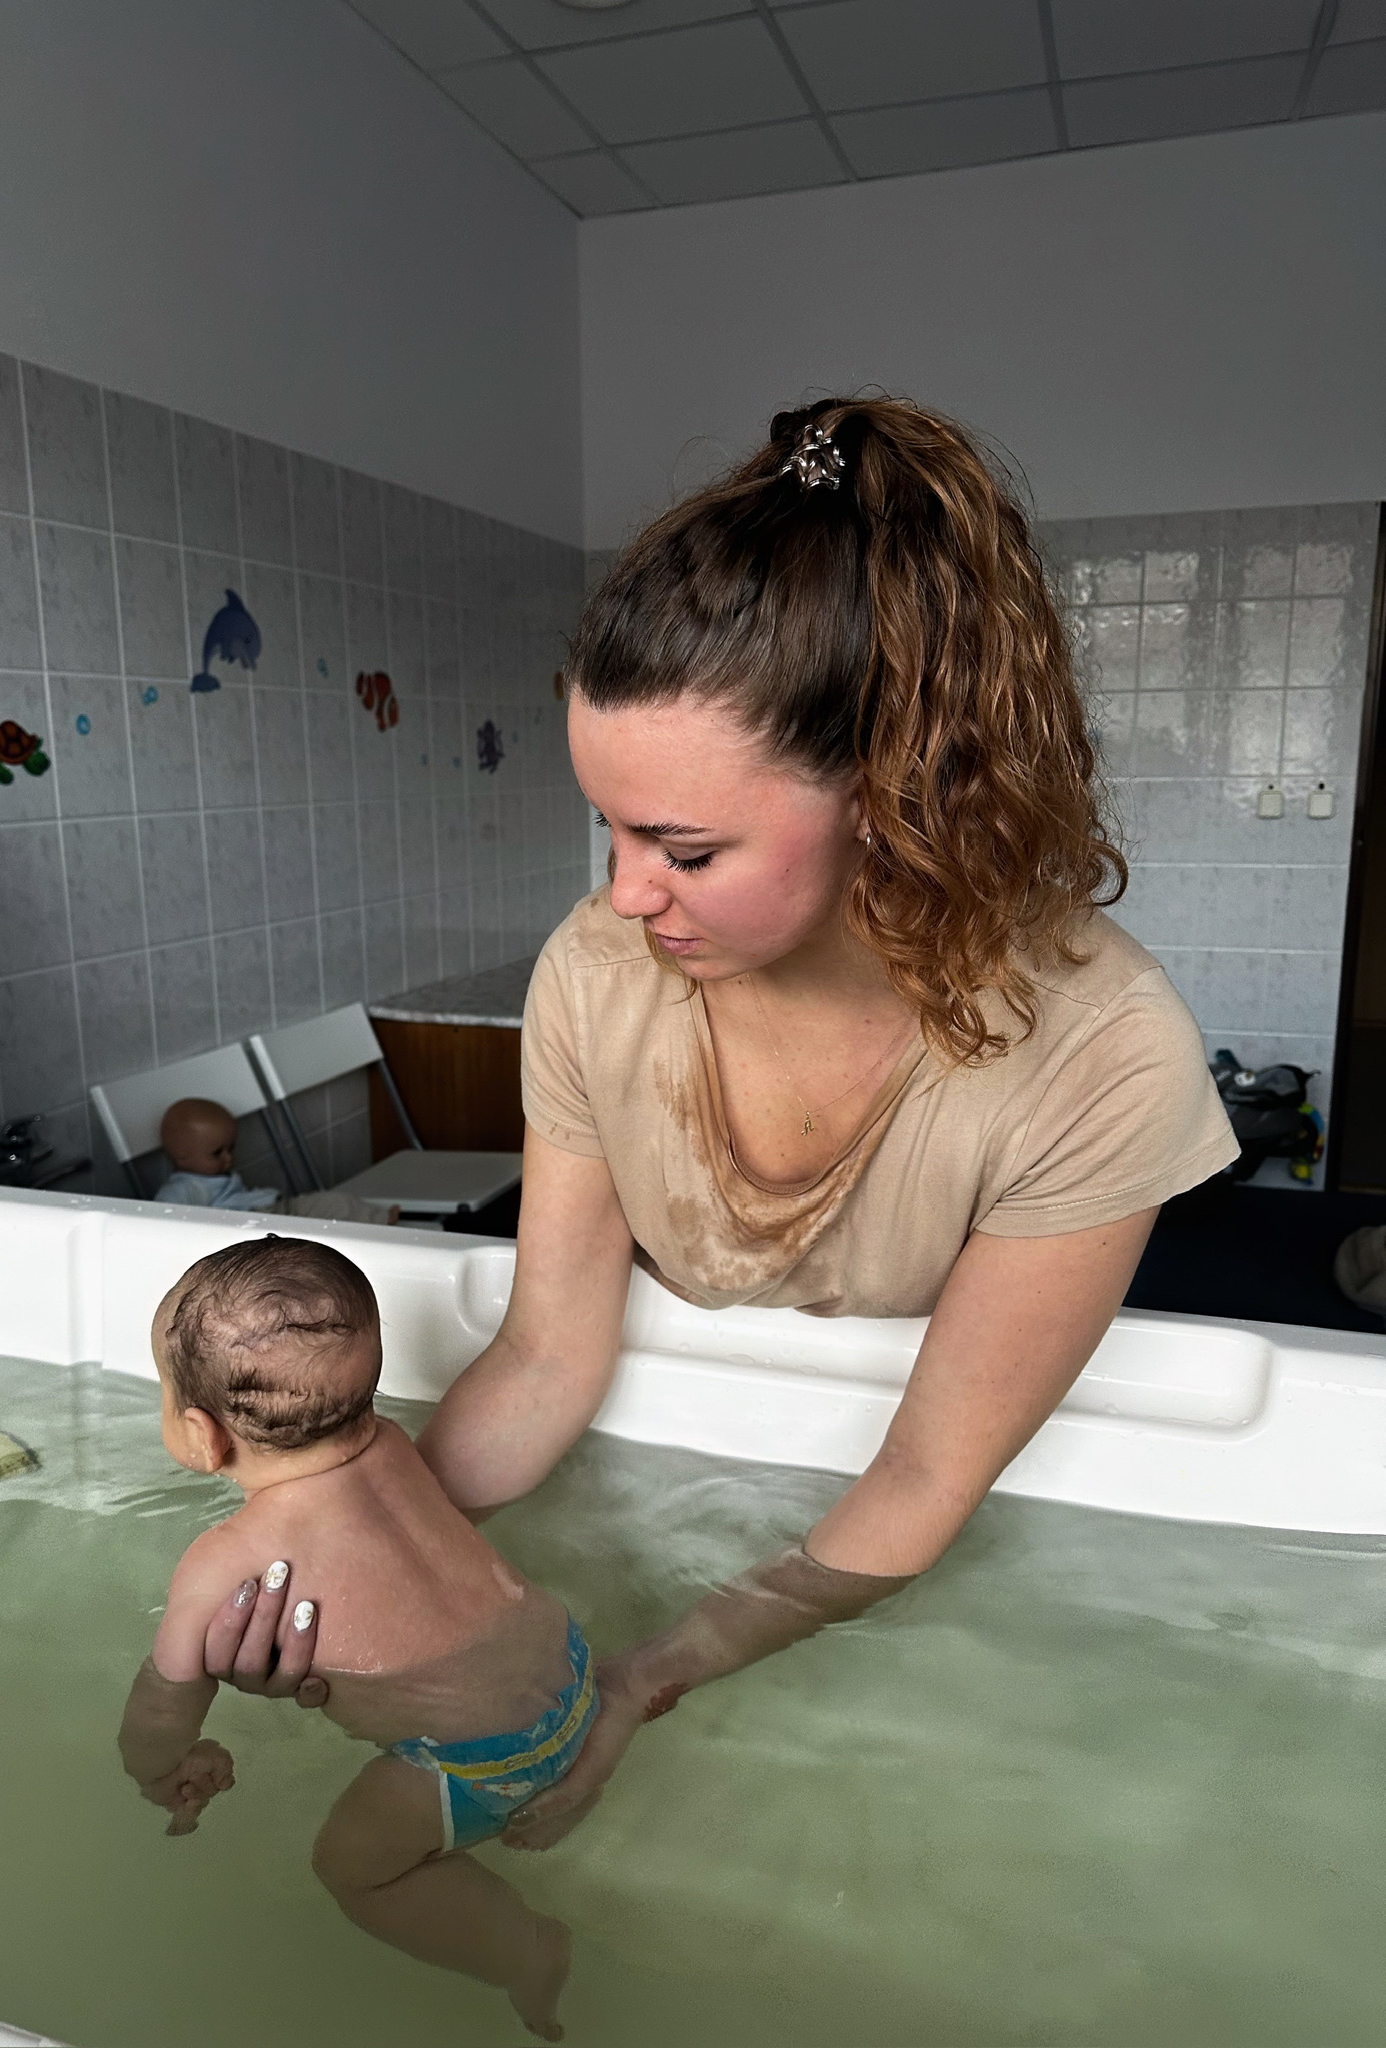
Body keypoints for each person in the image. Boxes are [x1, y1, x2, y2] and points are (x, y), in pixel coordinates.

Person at [201, 395, 1239, 1846]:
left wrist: (647, 1677)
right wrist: (353, 1555)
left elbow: (926, 1475)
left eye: (683, 849)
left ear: (893, 796)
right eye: (610, 828)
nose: (625, 893)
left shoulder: (1101, 1051)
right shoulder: (598, 972)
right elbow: (549, 1354)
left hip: (883, 1562)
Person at [117, 1237, 594, 2040]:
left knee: (353, 1870)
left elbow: (164, 1701)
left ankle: (525, 1949)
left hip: (484, 1760)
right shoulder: (395, 1446)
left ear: (201, 1434)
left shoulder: (223, 1562)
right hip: (570, 1671)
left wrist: (157, 1768)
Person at [154, 1098, 398, 1227]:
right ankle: (376, 1225)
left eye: (231, 1148)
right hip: (256, 1226)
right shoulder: (182, 1190)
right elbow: (165, 1224)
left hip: (274, 1208)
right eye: (217, 1153)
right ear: (182, 1155)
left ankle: (380, 1218)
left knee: (332, 1202)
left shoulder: (211, 1175)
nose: (229, 1158)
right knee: (322, 1223)